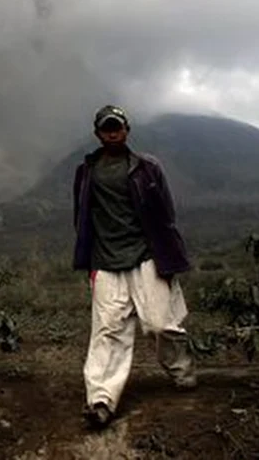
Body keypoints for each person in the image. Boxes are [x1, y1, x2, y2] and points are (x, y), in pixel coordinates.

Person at [72, 104, 197, 429]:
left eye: (117, 126)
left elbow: (165, 214)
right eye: (106, 127)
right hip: (106, 260)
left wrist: (169, 256)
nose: (112, 131)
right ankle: (101, 400)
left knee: (160, 325)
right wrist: (89, 260)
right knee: (107, 331)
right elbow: (82, 217)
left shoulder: (146, 168)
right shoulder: (86, 172)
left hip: (146, 256)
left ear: (126, 129)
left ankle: (180, 370)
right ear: (97, 133)